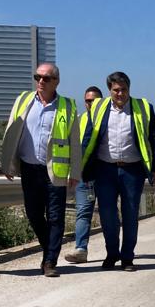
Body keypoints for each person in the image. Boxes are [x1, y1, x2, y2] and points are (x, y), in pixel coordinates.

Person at [74, 72, 155, 271]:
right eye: (116, 90)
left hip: (132, 170)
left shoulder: (143, 107)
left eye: (123, 90)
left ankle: (127, 257)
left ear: (129, 89)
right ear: (109, 91)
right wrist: (83, 167)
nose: (120, 94)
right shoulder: (98, 107)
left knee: (130, 214)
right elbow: (88, 137)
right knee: (107, 214)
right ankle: (112, 253)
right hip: (105, 169)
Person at [0, 63, 80, 277]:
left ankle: (50, 262)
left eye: (46, 78)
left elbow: (75, 142)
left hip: (56, 170)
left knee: (55, 217)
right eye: (38, 77)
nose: (40, 82)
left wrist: (76, 171)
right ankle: (49, 248)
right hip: (29, 168)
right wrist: (6, 162)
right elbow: (11, 130)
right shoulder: (23, 101)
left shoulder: (68, 106)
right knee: (33, 214)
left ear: (56, 82)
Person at [65, 86, 105, 263]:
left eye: (94, 100)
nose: (91, 103)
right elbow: (73, 147)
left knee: (108, 214)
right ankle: (81, 249)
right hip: (84, 176)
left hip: (105, 176)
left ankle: (115, 249)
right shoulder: (79, 120)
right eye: (88, 100)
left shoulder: (108, 120)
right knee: (83, 212)